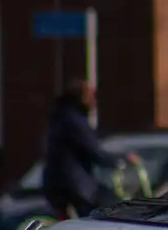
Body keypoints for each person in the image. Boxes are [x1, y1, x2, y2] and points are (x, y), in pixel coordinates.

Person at [41, 78, 138, 219]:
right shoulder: (74, 121)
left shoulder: (59, 117)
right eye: (91, 96)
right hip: (76, 187)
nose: (94, 102)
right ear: (81, 98)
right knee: (102, 214)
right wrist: (122, 159)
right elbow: (94, 152)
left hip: (57, 185)